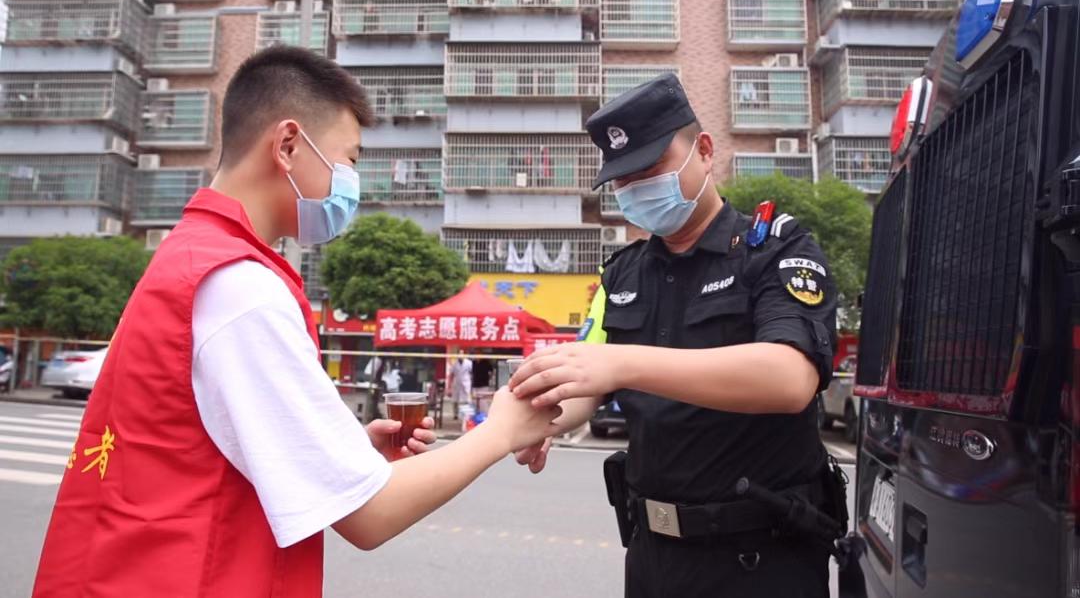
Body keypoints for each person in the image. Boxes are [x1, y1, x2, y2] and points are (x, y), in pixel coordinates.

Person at [32, 46, 561, 598]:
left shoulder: (190, 257)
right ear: (287, 145)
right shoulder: (242, 287)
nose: (351, 183)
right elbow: (369, 517)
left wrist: (340, 449)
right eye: (349, 161)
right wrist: (500, 431)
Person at [510, 73, 842, 597]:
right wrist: (547, 417)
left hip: (761, 557)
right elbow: (590, 375)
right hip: (652, 554)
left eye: (651, 169)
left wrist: (623, 365)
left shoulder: (774, 249)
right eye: (623, 180)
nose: (637, 189)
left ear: (704, 151)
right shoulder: (622, 272)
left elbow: (790, 378)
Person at [448, 355, 473, 419]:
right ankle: (455, 414)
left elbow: (472, 373)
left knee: (466, 400)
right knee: (455, 400)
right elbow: (451, 374)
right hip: (456, 383)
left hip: (466, 382)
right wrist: (449, 387)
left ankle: (466, 415)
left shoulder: (469, 363)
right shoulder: (454, 363)